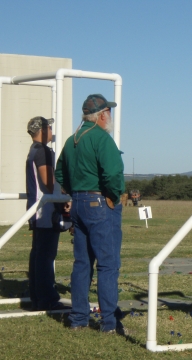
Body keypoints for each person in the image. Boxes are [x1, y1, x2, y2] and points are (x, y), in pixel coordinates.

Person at [55, 94, 125, 333]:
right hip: (99, 202)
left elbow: (60, 173)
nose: (110, 117)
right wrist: (113, 196)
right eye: (109, 112)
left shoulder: (70, 140)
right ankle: (108, 323)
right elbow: (114, 174)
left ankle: (78, 319)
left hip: (77, 202)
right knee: (107, 264)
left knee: (82, 263)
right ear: (102, 115)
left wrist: (73, 191)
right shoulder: (101, 138)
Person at [26, 116, 68, 311]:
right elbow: (48, 182)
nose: (52, 131)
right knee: (45, 255)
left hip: (38, 209)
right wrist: (64, 195)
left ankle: (37, 296)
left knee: (39, 254)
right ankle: (47, 298)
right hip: (45, 210)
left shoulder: (34, 150)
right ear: (42, 130)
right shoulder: (42, 151)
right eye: (49, 127)